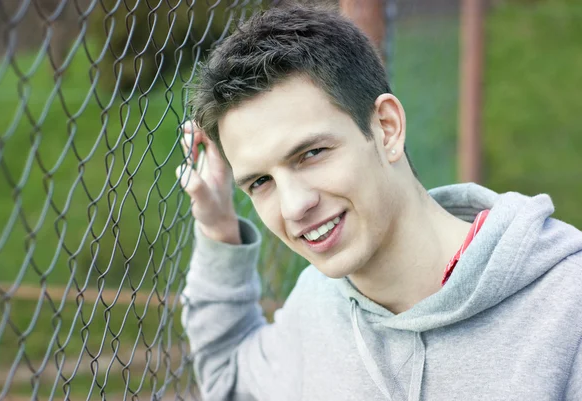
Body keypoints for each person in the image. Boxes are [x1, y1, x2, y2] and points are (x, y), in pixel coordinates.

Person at [175, 4, 582, 401]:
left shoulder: (566, 305)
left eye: (312, 153)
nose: (293, 206)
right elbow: (229, 378)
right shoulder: (316, 306)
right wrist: (218, 230)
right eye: (261, 182)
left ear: (387, 128)